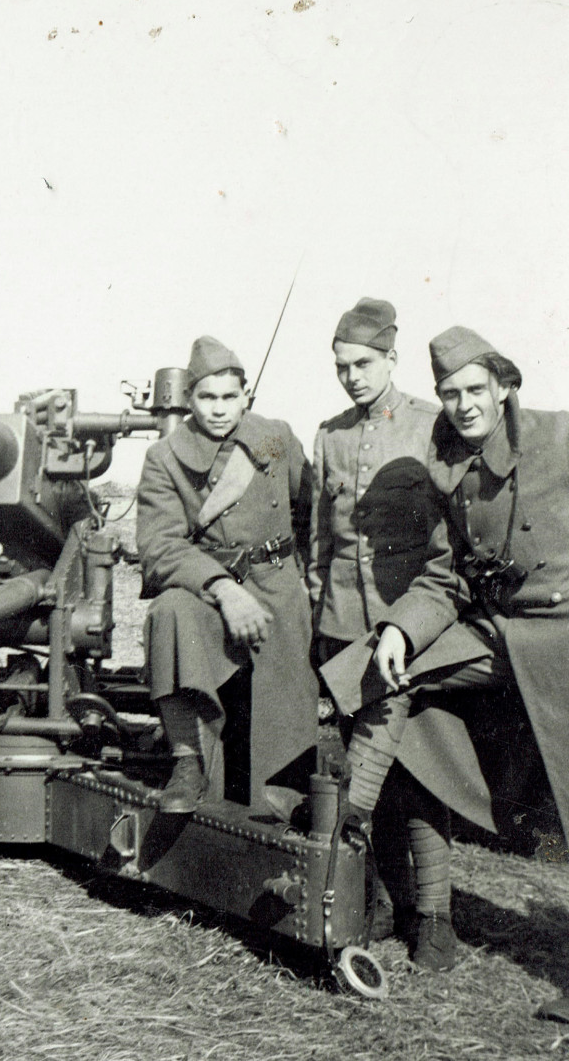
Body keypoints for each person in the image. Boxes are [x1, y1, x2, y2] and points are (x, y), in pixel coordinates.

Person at [323, 324, 569, 972]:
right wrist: (401, 629)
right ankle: (348, 821)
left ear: (505, 387)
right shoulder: (452, 470)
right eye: (449, 392)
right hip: (501, 633)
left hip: (563, 638)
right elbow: (445, 574)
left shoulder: (560, 438)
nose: (463, 404)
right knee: (383, 668)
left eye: (474, 389)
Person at [308, 297, 443, 947]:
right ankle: (384, 904)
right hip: (342, 624)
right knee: (370, 778)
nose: (352, 376)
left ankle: (432, 915)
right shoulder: (329, 434)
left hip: (407, 629)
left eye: (363, 363)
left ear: (392, 357)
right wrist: (318, 621)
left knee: (411, 771)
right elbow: (321, 544)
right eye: (341, 366)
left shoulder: (430, 426)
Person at [137, 334, 318, 814]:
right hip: (209, 588)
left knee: (285, 749)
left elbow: (312, 507)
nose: (218, 409)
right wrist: (222, 588)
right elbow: (159, 546)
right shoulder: (165, 457)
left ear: (246, 397)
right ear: (189, 399)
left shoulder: (275, 437)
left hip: (278, 583)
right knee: (168, 612)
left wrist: (306, 573)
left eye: (229, 397)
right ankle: (187, 761)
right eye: (207, 397)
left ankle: (285, 793)